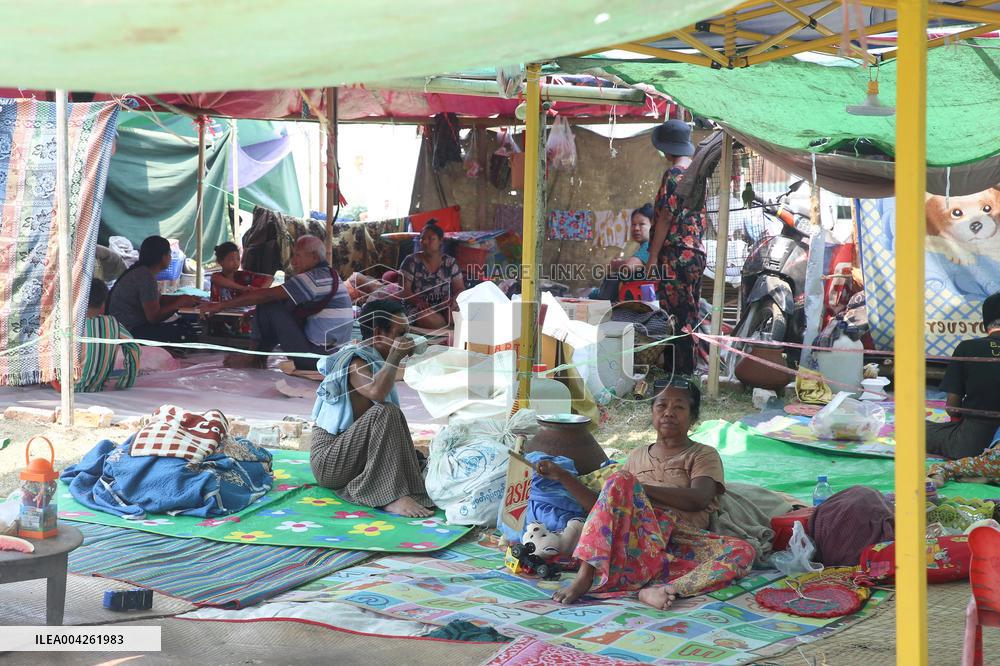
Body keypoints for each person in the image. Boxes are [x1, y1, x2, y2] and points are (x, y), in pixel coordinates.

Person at [536, 381, 754, 609]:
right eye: (661, 406)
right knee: (620, 480)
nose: (669, 412)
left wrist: (640, 488)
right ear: (652, 413)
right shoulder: (637, 456)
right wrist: (562, 476)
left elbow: (699, 498)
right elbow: (601, 508)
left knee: (743, 551)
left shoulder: (702, 455)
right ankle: (585, 576)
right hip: (638, 537)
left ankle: (665, 589)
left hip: (682, 539)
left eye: (679, 407)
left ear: (693, 417)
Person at [309, 299, 435, 518]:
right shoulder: (357, 362)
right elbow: (376, 392)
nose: (405, 340)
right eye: (400, 333)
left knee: (415, 455)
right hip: (330, 464)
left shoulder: (375, 357)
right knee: (385, 413)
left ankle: (392, 489)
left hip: (352, 456)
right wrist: (395, 355)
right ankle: (389, 497)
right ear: (378, 333)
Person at [201, 235, 353, 370]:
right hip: (335, 356)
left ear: (314, 257)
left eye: (297, 255)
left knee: (267, 302)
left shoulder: (312, 278)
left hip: (317, 358)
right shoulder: (329, 275)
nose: (293, 261)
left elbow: (266, 296)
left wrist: (220, 305)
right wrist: (256, 313)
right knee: (269, 303)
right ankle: (256, 358)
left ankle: (254, 359)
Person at [645, 120, 708, 376]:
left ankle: (677, 374)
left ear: (668, 149)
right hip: (695, 255)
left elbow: (665, 218)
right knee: (689, 314)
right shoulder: (696, 174)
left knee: (672, 315)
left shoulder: (674, 174)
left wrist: (652, 257)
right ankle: (686, 370)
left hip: (675, 255)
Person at [926, 292, 1000, 459]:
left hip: (972, 444)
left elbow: (953, 408)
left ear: (984, 325)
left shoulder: (967, 348)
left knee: (914, 428)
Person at [108, 236, 201, 344]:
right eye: (169, 254)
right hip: (128, 332)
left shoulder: (141, 272)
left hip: (124, 328)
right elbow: (154, 317)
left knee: (183, 325)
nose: (170, 258)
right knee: (185, 332)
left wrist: (182, 298)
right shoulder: (144, 277)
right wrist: (179, 303)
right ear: (163, 257)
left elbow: (156, 300)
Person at [55, 279, 140, 393]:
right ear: (103, 304)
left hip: (64, 389)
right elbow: (134, 348)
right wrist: (126, 382)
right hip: (96, 388)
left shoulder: (66, 325)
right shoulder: (112, 323)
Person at [398, 221, 465, 329]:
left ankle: (445, 324)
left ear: (440, 241)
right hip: (419, 308)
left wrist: (453, 299)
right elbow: (403, 290)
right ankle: (447, 327)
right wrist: (418, 301)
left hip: (444, 306)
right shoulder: (411, 261)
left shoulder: (450, 262)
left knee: (457, 314)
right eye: (422, 238)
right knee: (425, 318)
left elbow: (460, 288)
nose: (424, 241)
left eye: (430, 238)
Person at [594, 204, 654, 300]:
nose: (636, 228)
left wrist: (617, 264)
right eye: (633, 224)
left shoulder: (650, 245)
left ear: (653, 225)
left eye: (641, 224)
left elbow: (628, 267)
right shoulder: (645, 246)